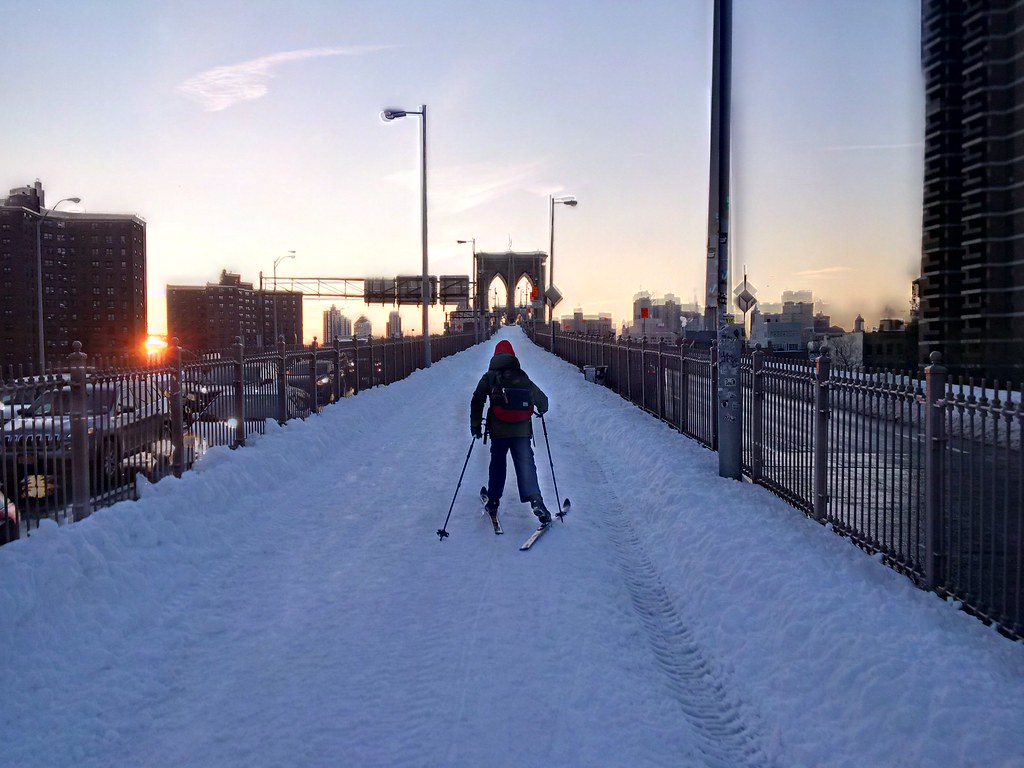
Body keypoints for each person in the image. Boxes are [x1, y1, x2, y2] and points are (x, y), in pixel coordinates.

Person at [470, 340, 552, 524]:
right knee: (526, 464)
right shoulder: (521, 375)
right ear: (512, 355)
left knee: (498, 465)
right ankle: (536, 500)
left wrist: (475, 425)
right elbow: (543, 400)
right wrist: (542, 408)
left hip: (499, 432)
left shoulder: (490, 376)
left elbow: (477, 399)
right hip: (522, 430)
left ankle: (493, 501)